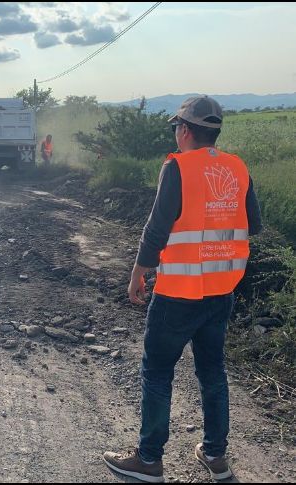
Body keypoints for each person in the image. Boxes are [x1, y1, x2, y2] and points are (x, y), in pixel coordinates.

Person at [103, 96, 262, 483]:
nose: (176, 135)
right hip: (221, 291)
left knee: (157, 372)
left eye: (177, 128)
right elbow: (253, 225)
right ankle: (215, 456)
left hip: (178, 293)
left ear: (186, 130)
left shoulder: (178, 167)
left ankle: (149, 460)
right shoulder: (238, 167)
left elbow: (157, 228)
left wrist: (138, 273)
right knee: (212, 371)